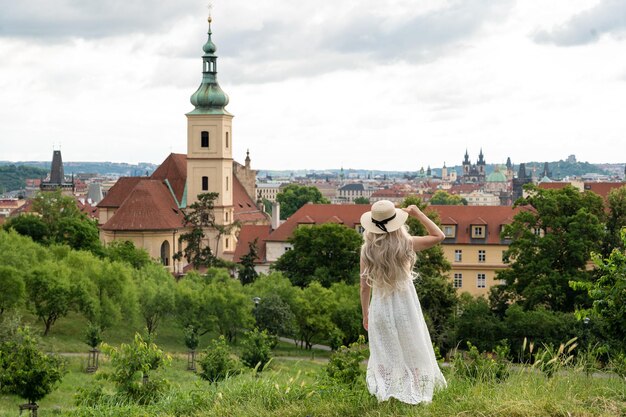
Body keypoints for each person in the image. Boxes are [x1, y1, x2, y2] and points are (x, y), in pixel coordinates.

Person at [359, 199, 447, 404]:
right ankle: (416, 390)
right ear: (397, 222)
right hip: (405, 306)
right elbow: (439, 236)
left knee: (383, 350)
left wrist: (365, 313)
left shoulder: (367, 250)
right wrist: (418, 213)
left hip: (380, 307)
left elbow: (364, 287)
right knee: (412, 347)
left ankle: (386, 393)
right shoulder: (406, 243)